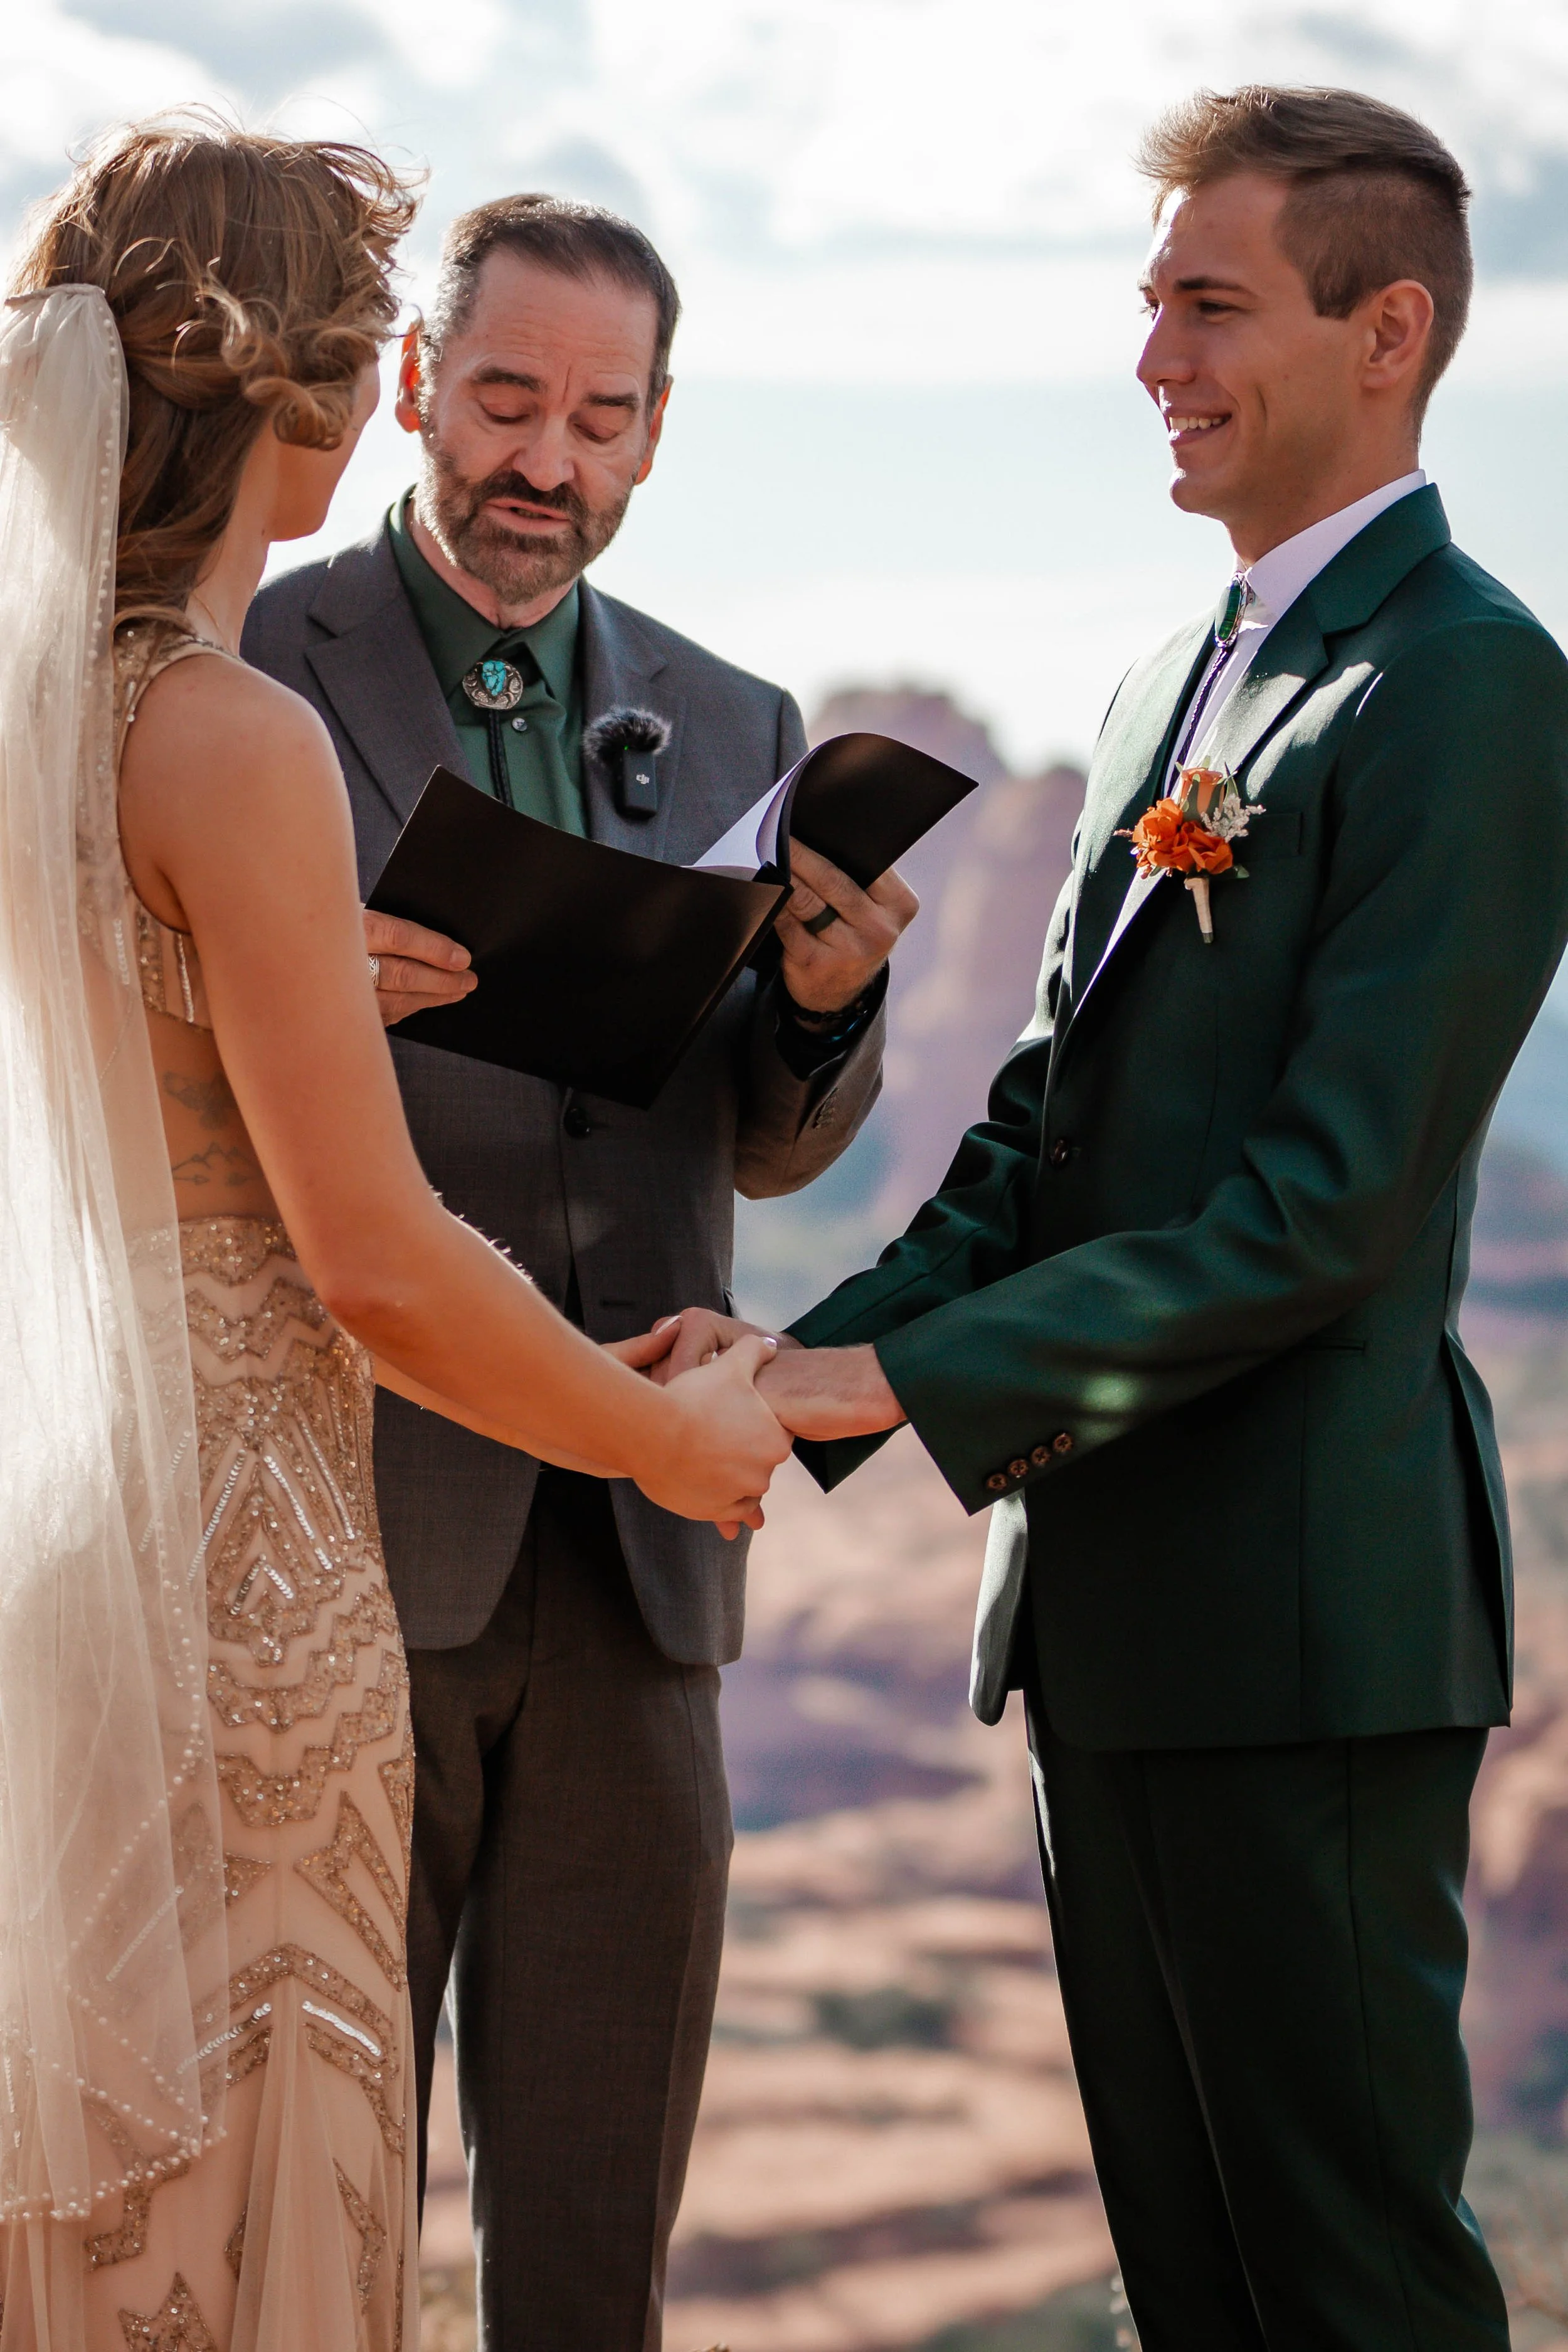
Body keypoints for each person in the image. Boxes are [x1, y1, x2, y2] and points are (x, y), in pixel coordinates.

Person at [662, 85, 1568, 2350]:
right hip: (1109, 1625)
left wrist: (885, 1377)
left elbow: (1326, 1220)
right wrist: (789, 1368)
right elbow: (1038, 1132)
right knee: (1194, 2285)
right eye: (1146, 300)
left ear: (1387, 330)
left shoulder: (1468, 686)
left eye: (1204, 302)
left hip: (1304, 1632)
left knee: (1346, 2283)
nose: (1149, 356)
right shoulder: (1171, 675)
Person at [0, 120, 788, 2351]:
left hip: (76, 1534)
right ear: (344, 394)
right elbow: (368, 1257)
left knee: (103, 2192)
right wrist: (661, 1444)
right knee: (265, 2199)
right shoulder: (234, 727)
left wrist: (272, 984)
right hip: (269, 1569)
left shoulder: (39, 704)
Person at [243, 194, 914, 2348]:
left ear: (651, 439)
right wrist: (261, 985)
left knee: (593, 2239)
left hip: (637, 1565)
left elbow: (771, 1133)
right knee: (302, 2207)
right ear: (421, 389)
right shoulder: (243, 670)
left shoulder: (738, 722)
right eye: (507, 399)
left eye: (599, 418)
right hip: (340, 1542)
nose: (547, 460)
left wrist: (815, 997)